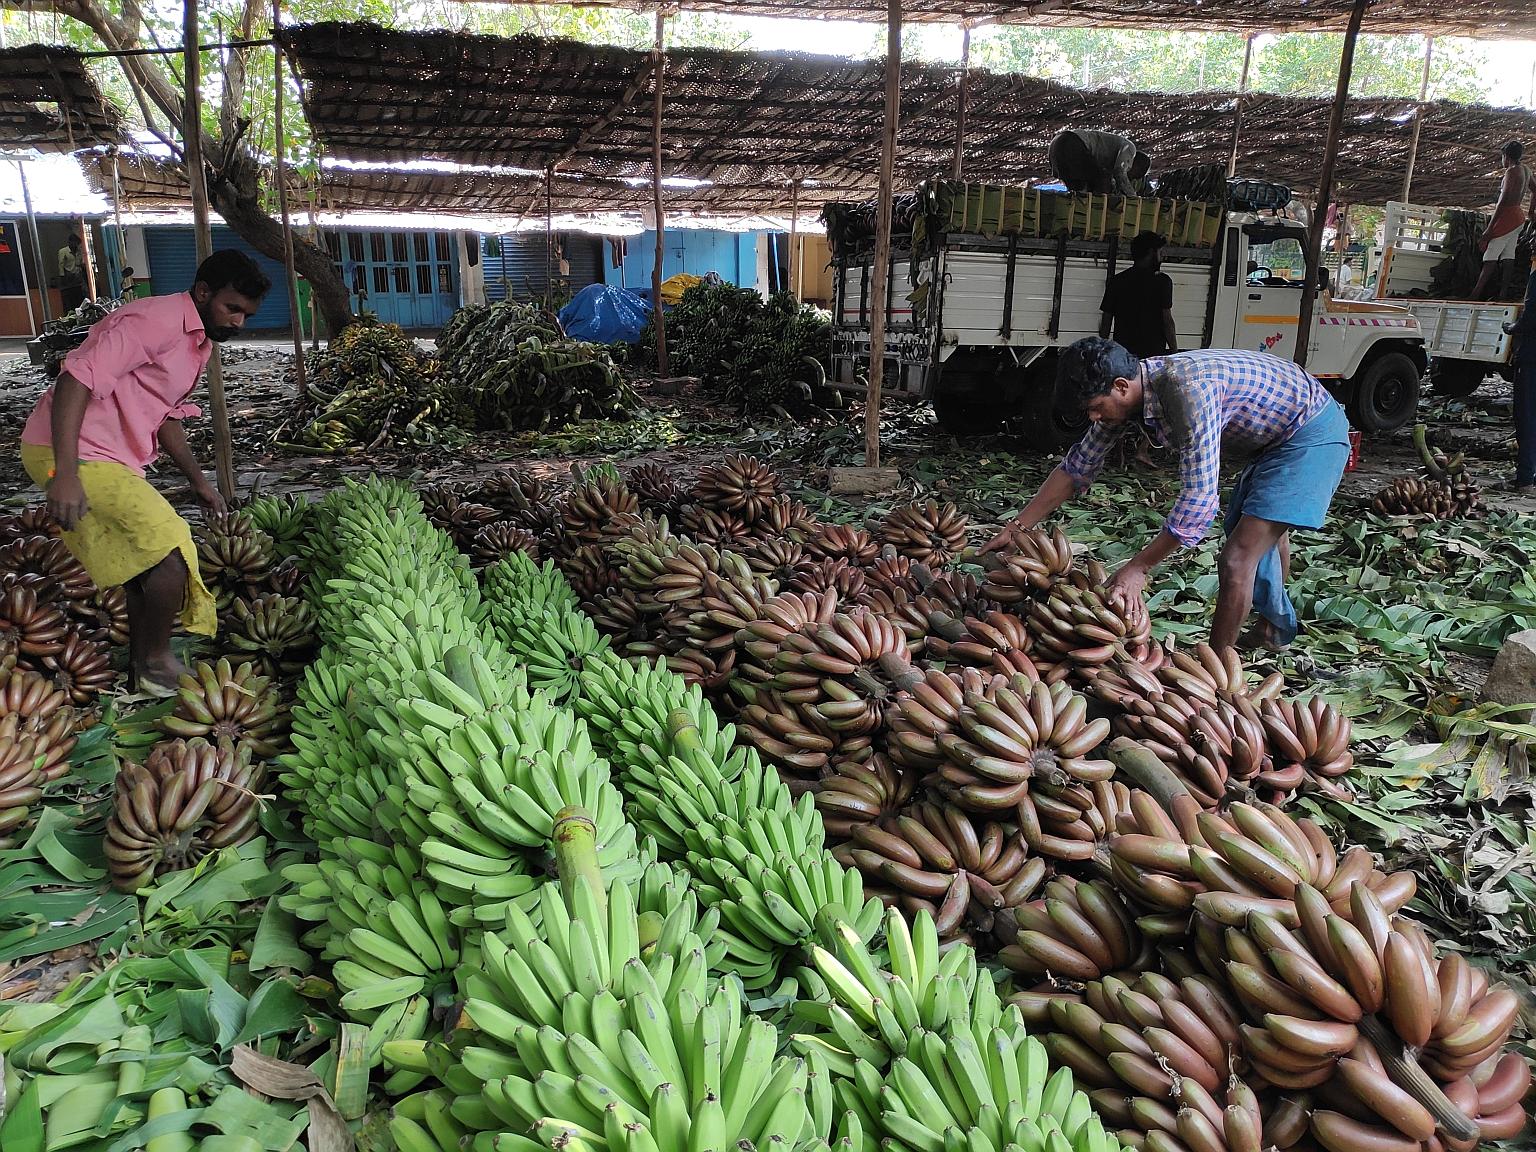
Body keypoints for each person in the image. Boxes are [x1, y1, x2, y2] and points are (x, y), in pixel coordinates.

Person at [985, 338, 1351, 653]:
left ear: (1120, 386)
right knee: (1259, 529)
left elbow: (1199, 501)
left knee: (1238, 557)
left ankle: (1218, 668)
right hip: (1274, 434)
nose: (1094, 418)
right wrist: (1017, 527)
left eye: (1096, 407)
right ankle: (1273, 627)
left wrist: (1139, 567)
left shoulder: (1186, 393)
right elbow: (1076, 467)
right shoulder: (1127, 399)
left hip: (1309, 434)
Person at [20, 250, 270, 695]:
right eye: (232, 309)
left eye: (246, 315)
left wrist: (199, 482)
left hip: (110, 457)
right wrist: (66, 473)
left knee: (146, 562)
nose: (238, 323)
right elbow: (75, 379)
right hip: (75, 452)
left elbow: (165, 415)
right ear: (204, 292)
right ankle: (157, 661)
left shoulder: (198, 342)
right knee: (170, 553)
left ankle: (142, 669)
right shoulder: (153, 321)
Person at [1472, 140, 1534, 301]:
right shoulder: (1526, 170)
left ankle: (1475, 293)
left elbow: (1503, 200)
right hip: (1518, 216)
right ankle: (1503, 294)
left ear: (1506, 157)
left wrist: (1489, 229)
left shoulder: (1511, 172)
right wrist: (1531, 211)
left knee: (1490, 256)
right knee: (1508, 255)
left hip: (1507, 216)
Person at [1100, 231, 1178, 357]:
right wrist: (1175, 352)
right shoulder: (1163, 282)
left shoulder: (1117, 281)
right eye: (1160, 252)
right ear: (1151, 252)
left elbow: (1106, 321)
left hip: (1123, 354)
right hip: (1152, 354)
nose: (1162, 256)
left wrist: (1103, 347)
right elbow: (1167, 321)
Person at [1503, 255, 1536, 490]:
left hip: (1532, 357)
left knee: (1527, 417)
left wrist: (1511, 327)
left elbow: (1531, 317)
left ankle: (1525, 477)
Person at [1048, 130, 1150, 197]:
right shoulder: (1130, 149)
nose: (1131, 178)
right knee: (1102, 181)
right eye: (1136, 176)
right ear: (1137, 166)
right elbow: (1119, 173)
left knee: (1079, 194)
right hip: (1071, 142)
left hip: (1055, 147)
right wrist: (1133, 198)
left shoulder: (1106, 159)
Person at [57, 232, 88, 313]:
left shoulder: (79, 251)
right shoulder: (63, 251)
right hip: (67, 277)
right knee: (69, 300)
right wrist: (63, 277)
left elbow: (80, 263)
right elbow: (61, 265)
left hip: (77, 277)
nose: (76, 245)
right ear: (70, 242)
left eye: (77, 244)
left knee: (79, 298)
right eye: (75, 243)